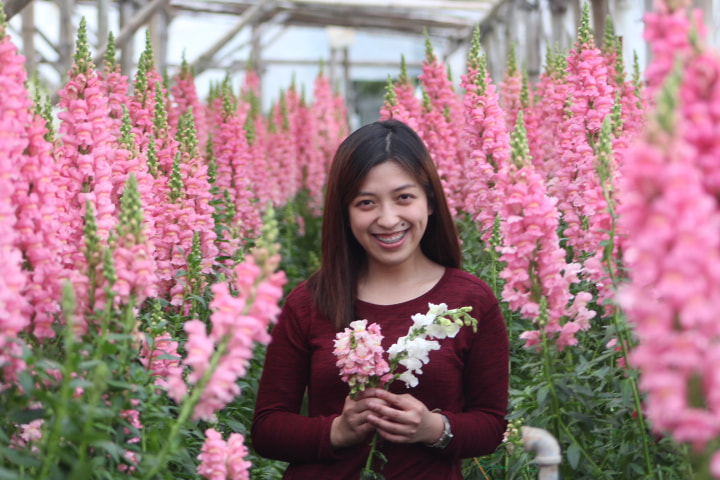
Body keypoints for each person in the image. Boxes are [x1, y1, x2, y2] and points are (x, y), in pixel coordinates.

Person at [251, 119, 509, 479]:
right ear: (345, 212)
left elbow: (491, 425)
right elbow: (266, 428)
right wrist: (336, 431)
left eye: (404, 197)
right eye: (366, 202)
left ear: (429, 202)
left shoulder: (470, 301)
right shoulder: (309, 302)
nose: (388, 219)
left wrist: (433, 428)